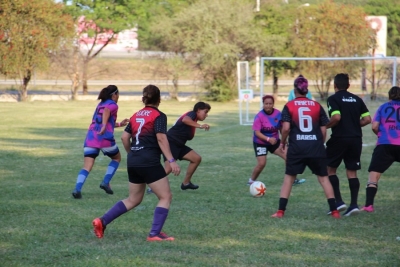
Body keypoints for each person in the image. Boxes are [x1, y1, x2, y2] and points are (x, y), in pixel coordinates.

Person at [92, 84, 181, 241]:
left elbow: (125, 138)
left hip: (133, 160)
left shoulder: (135, 115)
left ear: (144, 99)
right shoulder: (159, 116)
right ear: (159, 99)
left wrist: (132, 154)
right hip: (149, 160)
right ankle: (154, 234)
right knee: (165, 196)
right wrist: (171, 160)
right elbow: (161, 138)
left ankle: (102, 221)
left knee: (133, 199)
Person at [271, 75, 340, 219]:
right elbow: (323, 129)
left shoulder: (289, 106)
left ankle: (280, 211)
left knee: (289, 179)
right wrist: (319, 144)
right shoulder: (316, 106)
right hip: (315, 147)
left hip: (297, 147)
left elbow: (286, 128)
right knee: (323, 178)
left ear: (295, 89)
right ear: (306, 90)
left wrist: (283, 142)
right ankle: (335, 211)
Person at [325, 73, 371, 216]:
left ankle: (338, 202)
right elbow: (368, 119)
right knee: (352, 172)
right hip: (356, 139)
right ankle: (354, 205)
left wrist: (325, 126)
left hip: (339, 138)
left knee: (329, 170)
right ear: (349, 85)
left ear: (335, 85)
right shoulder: (357, 99)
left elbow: (336, 117)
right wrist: (353, 124)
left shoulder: (333, 99)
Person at [72, 85, 129, 199]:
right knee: (116, 158)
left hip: (91, 137)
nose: (118, 97)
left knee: (87, 166)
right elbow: (107, 112)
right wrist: (103, 127)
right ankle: (105, 182)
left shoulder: (100, 104)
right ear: (114, 95)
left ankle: (77, 189)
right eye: (118, 95)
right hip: (104, 138)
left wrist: (119, 124)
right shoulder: (112, 105)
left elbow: (105, 120)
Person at [147, 102, 211, 194]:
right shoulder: (192, 114)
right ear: (198, 110)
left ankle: (186, 183)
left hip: (179, 145)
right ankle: (152, 187)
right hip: (171, 143)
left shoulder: (194, 119)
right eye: (205, 112)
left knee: (196, 158)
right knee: (168, 168)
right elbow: (185, 120)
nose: (206, 115)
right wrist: (201, 126)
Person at [362, 86, 400, 212]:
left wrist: (380, 135)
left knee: (374, 175)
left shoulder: (383, 107)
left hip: (384, 144)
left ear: (389, 96)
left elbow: (374, 126)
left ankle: (368, 205)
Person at [247, 95, 286, 185]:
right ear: (263, 104)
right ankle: (251, 181)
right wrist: (268, 139)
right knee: (262, 163)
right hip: (260, 142)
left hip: (274, 141)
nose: (268, 105)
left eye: (270, 103)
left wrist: (283, 140)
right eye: (266, 104)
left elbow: (281, 127)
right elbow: (257, 133)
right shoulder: (259, 116)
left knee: (288, 157)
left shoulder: (277, 114)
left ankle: (292, 179)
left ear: (273, 104)